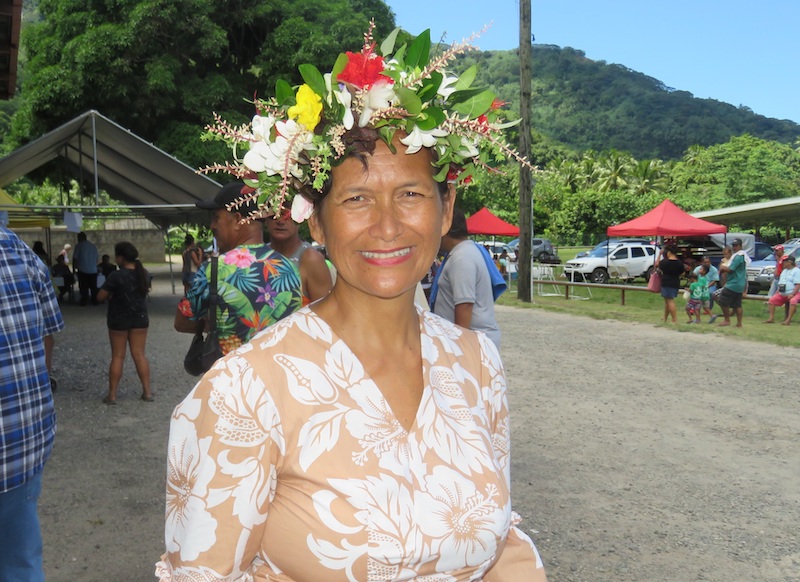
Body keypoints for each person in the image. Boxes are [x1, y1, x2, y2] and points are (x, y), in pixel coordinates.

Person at [158, 26, 547, 581]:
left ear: (445, 209)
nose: (387, 226)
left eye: (410, 194)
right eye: (356, 198)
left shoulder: (476, 364)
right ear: (316, 222)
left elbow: (500, 542)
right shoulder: (245, 391)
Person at [0, 225, 64, 581]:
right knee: (20, 559)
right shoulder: (20, 252)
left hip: (21, 443)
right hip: (21, 442)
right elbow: (46, 337)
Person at [173, 182, 304, 355]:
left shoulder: (214, 269)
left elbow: (182, 322)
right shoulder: (289, 268)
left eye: (216, 218)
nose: (212, 226)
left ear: (237, 220)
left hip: (231, 370)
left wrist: (216, 324)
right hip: (278, 368)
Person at [431, 207, 502, 347]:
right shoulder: (464, 252)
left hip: (472, 342)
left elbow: (465, 304)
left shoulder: (462, 258)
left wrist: (460, 346)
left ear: (444, 228)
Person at [96, 242, 153, 404]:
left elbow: (100, 297)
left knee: (118, 356)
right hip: (140, 318)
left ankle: (112, 395)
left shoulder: (116, 276)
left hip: (118, 319)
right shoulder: (143, 273)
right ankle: (147, 392)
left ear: (120, 257)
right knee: (139, 355)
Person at [265, 206, 333, 303]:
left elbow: (325, 307)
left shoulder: (311, 259)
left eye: (288, 216)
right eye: (274, 215)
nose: (280, 221)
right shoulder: (257, 256)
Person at [716, 238, 749, 327]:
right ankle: (739, 323)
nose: (734, 247)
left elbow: (731, 269)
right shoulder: (742, 256)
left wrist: (722, 268)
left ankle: (727, 320)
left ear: (741, 246)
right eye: (733, 245)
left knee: (722, 300)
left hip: (734, 283)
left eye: (736, 245)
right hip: (739, 283)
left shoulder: (738, 256)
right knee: (737, 304)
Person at [764, 254, 800, 325]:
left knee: (793, 301)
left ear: (790, 262)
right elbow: (781, 283)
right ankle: (771, 318)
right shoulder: (784, 271)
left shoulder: (797, 271)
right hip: (782, 293)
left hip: (795, 293)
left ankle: (788, 320)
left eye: (784, 262)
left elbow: (798, 284)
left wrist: (792, 294)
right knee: (772, 300)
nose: (782, 263)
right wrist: (777, 292)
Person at [657, 244, 685, 323]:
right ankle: (665, 318)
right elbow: (682, 273)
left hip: (666, 282)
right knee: (667, 301)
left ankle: (674, 319)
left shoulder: (664, 262)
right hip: (675, 282)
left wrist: (659, 255)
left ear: (669, 252)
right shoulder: (679, 263)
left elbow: (657, 265)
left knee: (669, 300)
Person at [72, 231, 99, 306]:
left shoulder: (79, 246)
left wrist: (74, 269)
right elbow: (96, 258)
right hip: (93, 269)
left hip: (82, 269)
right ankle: (94, 300)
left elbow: (75, 258)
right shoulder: (92, 246)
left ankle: (84, 300)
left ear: (79, 238)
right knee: (93, 287)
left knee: (83, 287)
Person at [693, 255, 719, 320]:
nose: (706, 263)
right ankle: (711, 315)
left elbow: (715, 280)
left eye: (708, 262)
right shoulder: (698, 269)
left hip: (709, 286)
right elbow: (694, 276)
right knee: (703, 305)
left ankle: (698, 317)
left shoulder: (714, 270)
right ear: (702, 262)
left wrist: (706, 286)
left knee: (710, 293)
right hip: (701, 288)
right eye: (705, 262)